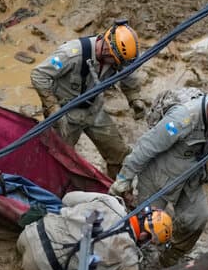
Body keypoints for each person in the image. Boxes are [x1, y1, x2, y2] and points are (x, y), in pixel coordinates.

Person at [110, 86, 208, 267]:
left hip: (190, 176)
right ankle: (134, 263)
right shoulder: (182, 120)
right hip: (157, 179)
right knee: (146, 228)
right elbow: (146, 147)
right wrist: (124, 179)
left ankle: (167, 260)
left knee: (198, 218)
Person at [30, 20, 146, 178]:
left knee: (119, 154)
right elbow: (39, 74)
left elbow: (128, 74)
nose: (118, 66)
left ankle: (116, 190)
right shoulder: (71, 54)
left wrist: (134, 99)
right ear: (107, 50)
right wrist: (53, 108)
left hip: (94, 110)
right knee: (58, 159)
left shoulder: (118, 57)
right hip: (66, 114)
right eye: (117, 62)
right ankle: (55, 191)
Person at [17, 193, 172, 270]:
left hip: (28, 233)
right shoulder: (128, 257)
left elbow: (67, 198)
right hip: (38, 265)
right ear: (145, 236)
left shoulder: (110, 202)